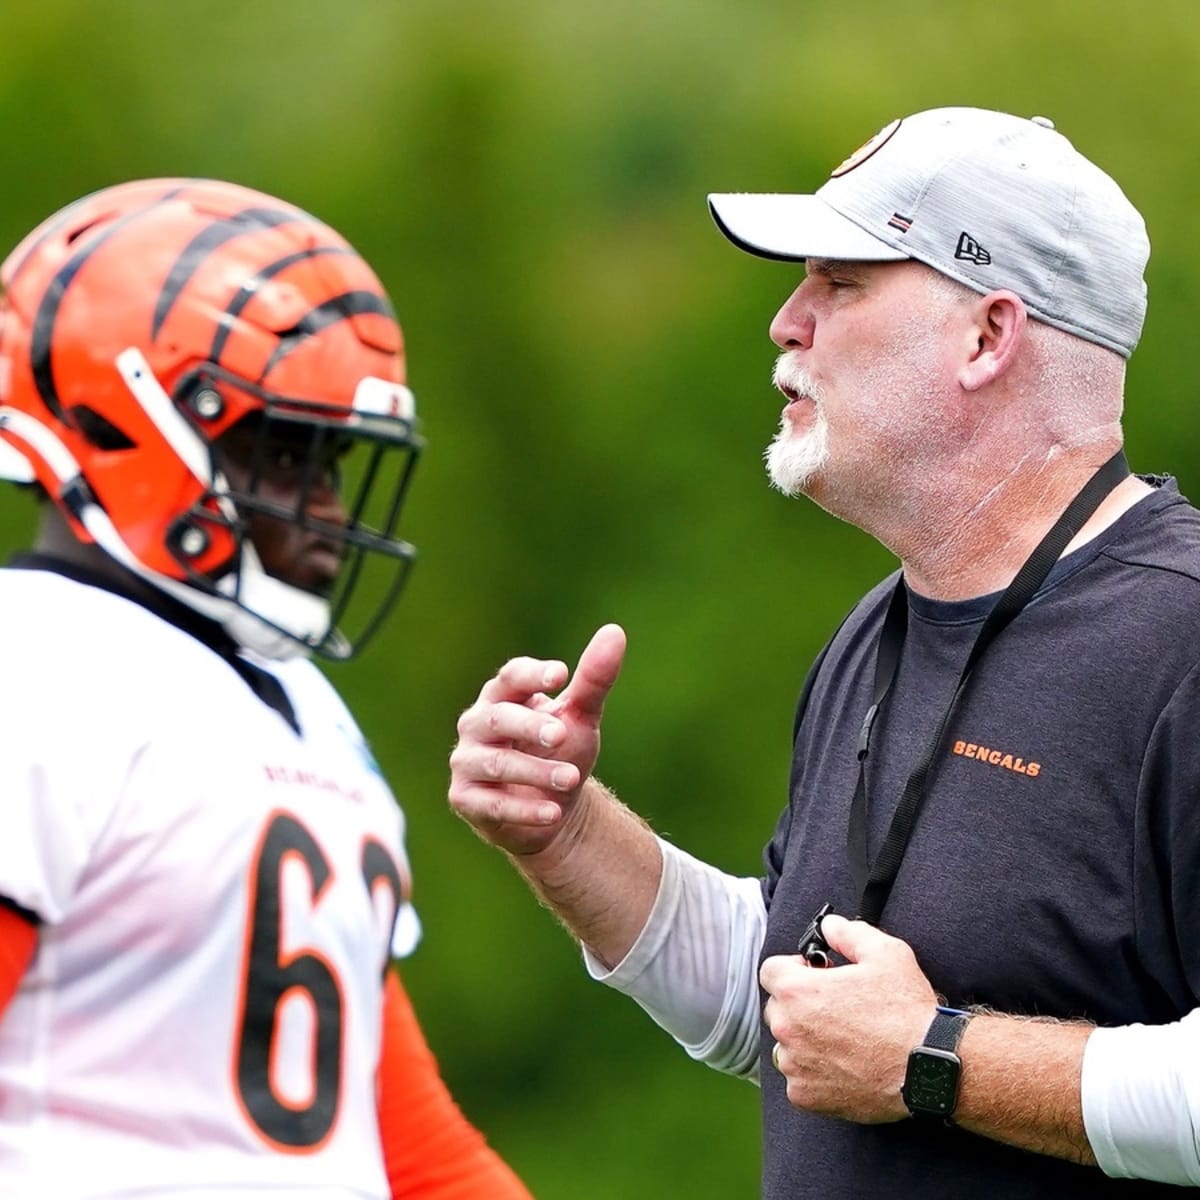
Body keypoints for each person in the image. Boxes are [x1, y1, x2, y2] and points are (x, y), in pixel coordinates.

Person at [448, 107, 1200, 1196]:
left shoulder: (1180, 638)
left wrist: (935, 1059)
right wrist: (565, 832)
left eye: (840, 283)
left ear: (988, 337)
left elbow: (892, 1049)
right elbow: (797, 1019)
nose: (786, 323)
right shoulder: (882, 623)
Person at [0, 179, 532, 1199]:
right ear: (130, 426)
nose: (329, 509)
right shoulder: (33, 666)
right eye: (287, 452)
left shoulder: (295, 703)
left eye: (331, 459)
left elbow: (399, 1140)